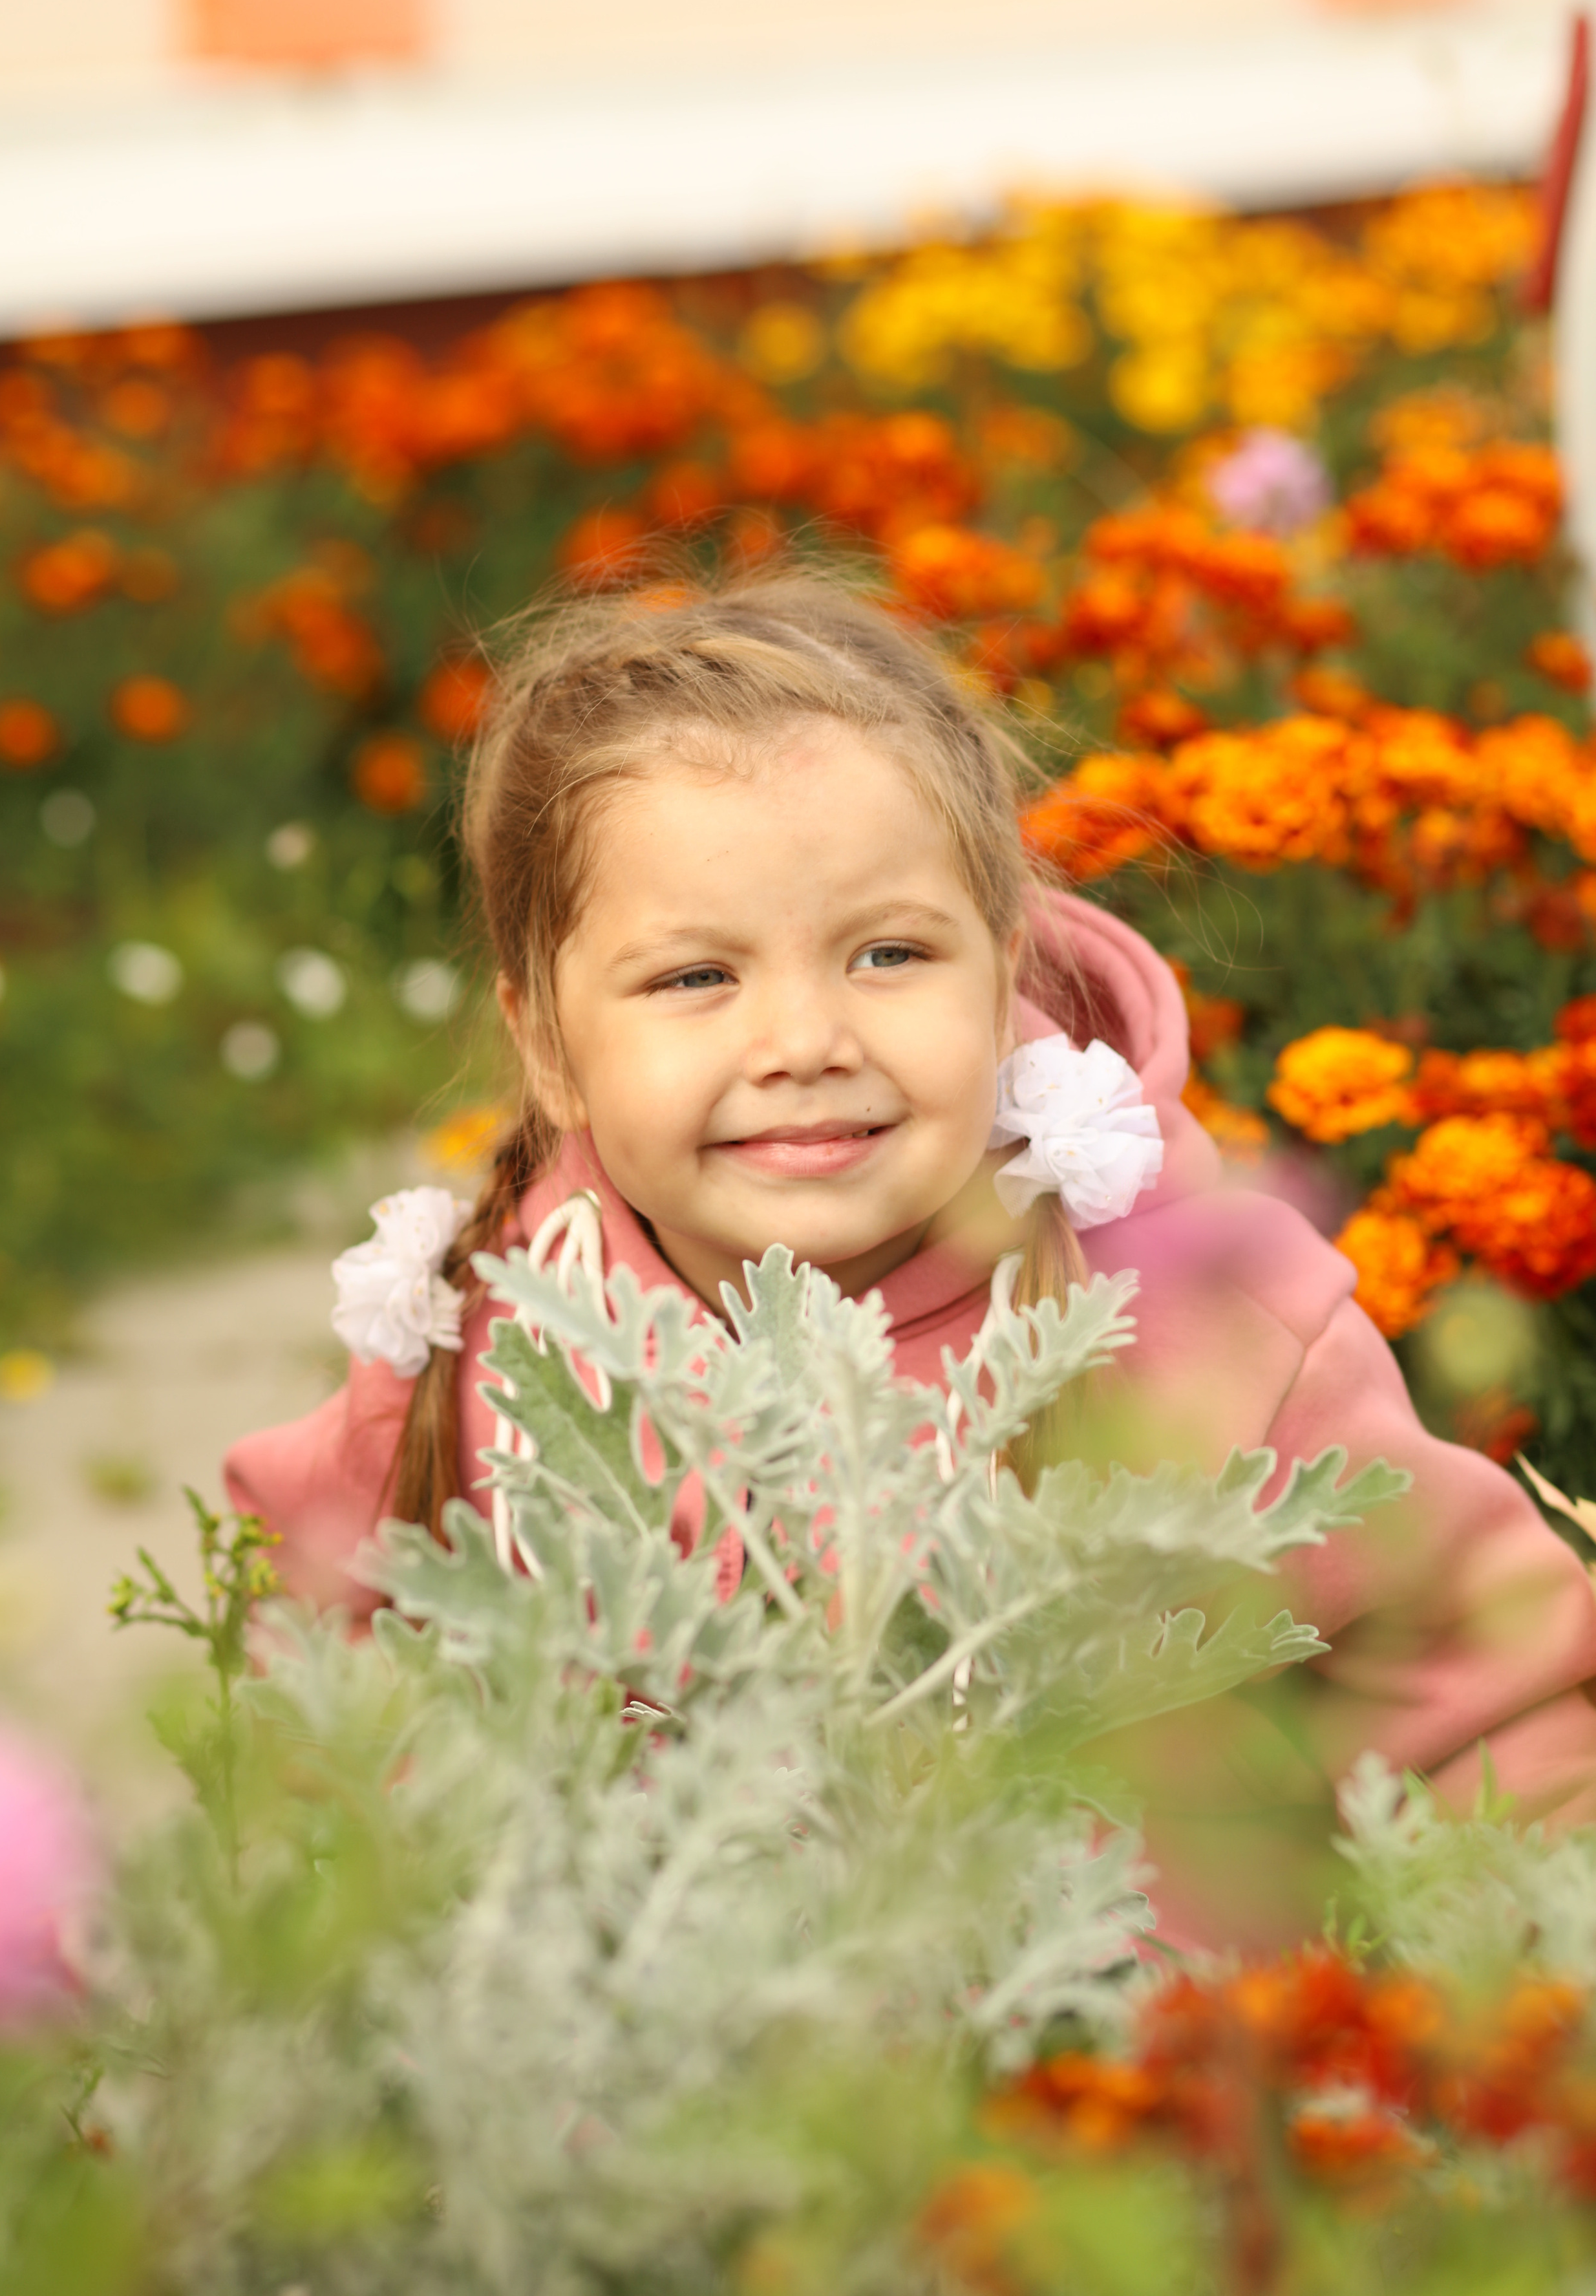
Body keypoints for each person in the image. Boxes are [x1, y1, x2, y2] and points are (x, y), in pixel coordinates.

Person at [226, 570, 1596, 1941]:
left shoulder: (1207, 1323)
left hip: (1113, 2116)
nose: (805, 1042)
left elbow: (1482, 1695)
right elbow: (317, 1676)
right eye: (696, 977)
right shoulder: (497, 1339)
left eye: (887, 954)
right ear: (546, 1046)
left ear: (1001, 975)